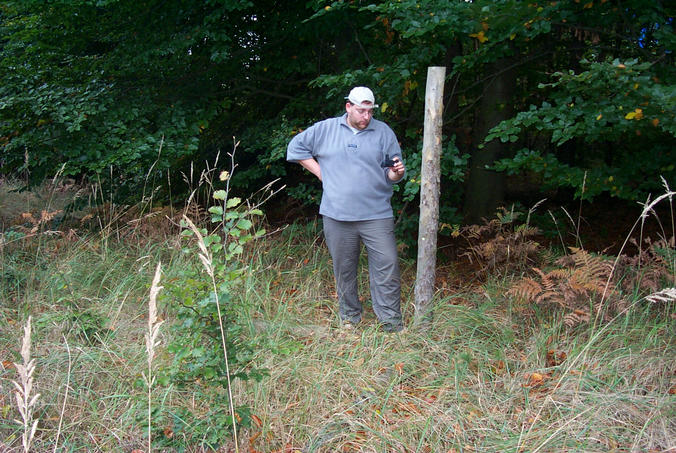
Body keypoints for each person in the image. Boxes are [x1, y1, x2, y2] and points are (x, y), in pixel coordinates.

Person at [286, 86, 406, 332]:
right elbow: (295, 149)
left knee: (387, 266)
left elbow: (392, 172)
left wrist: (395, 174)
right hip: (337, 215)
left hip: (376, 214)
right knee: (345, 268)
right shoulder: (325, 129)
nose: (366, 117)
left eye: (370, 111)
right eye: (361, 111)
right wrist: (322, 174)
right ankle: (350, 317)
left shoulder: (383, 133)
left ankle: (391, 322)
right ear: (348, 107)